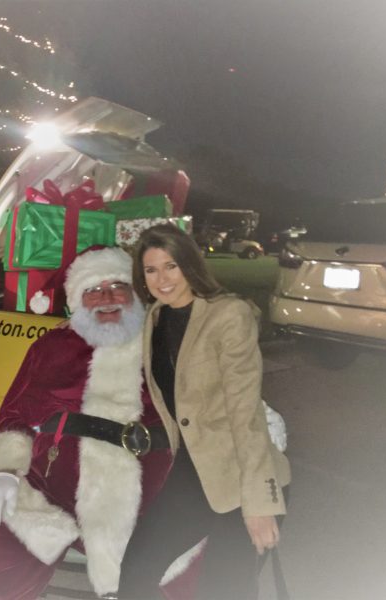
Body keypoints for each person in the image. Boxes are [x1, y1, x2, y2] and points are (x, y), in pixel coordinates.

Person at [0, 247, 173, 600]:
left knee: (197, 557)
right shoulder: (53, 346)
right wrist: (2, 472)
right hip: (53, 486)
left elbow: (210, 392)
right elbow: (15, 413)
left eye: (117, 287)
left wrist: (254, 417)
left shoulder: (164, 343)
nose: (106, 298)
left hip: (146, 488)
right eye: (93, 290)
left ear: (135, 293)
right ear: (77, 301)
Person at [118, 223, 292, 600]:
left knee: (224, 589)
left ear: (189, 264)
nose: (162, 279)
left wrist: (258, 504)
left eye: (171, 266)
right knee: (136, 569)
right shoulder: (156, 317)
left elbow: (245, 414)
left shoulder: (227, 315)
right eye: (151, 270)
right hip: (193, 471)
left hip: (242, 474)